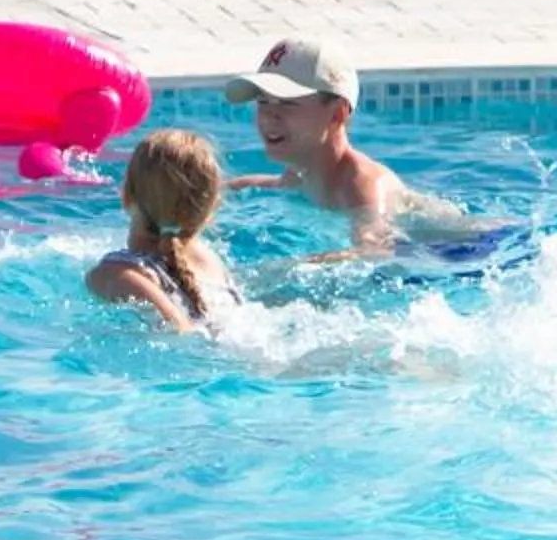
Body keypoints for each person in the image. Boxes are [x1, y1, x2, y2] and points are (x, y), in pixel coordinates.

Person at [224, 35, 493, 258]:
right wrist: (217, 189)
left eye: (287, 103)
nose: (270, 116)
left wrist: (275, 275)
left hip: (478, 246)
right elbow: (272, 184)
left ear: (337, 114)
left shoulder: (362, 185)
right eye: (263, 102)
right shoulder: (302, 171)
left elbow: (374, 251)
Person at [84, 128, 241, 331]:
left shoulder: (116, 273)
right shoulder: (210, 261)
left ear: (125, 195)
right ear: (211, 209)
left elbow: (181, 331)